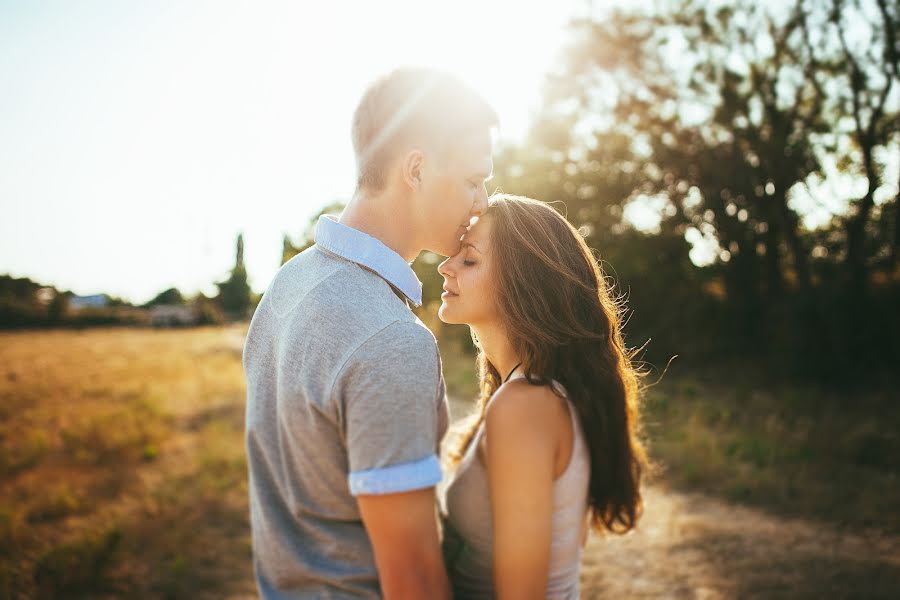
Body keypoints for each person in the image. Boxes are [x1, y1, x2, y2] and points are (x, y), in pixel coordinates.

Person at [242, 67, 497, 599]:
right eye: (473, 181)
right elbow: (413, 579)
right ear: (417, 169)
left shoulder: (288, 284)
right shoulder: (390, 338)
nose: (482, 204)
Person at [437, 194, 652, 599]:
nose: (445, 266)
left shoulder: (525, 405)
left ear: (522, 282)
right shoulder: (532, 394)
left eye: (468, 259)